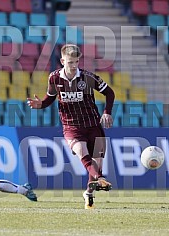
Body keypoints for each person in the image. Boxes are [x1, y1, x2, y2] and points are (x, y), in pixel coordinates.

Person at [27, 44, 115, 209]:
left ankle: (89, 192)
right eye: (70, 62)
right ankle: (100, 178)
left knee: (97, 161)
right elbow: (50, 98)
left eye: (76, 62)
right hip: (71, 126)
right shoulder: (54, 78)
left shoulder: (88, 78)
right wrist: (41, 104)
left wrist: (107, 112)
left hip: (93, 124)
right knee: (83, 152)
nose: (74, 66)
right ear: (62, 61)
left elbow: (109, 92)